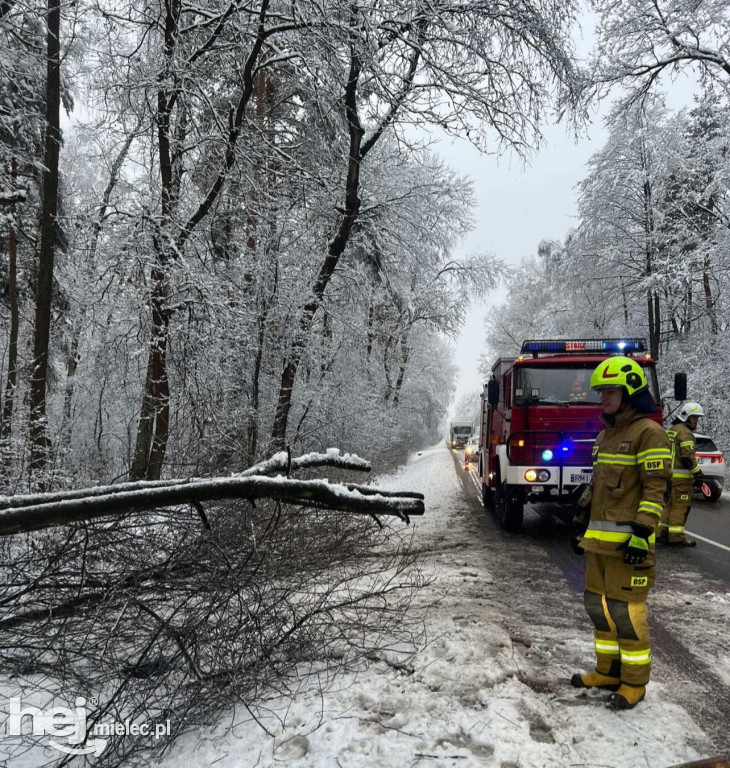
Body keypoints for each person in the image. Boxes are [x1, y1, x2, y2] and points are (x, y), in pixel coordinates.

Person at [569, 356, 671, 710]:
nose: (602, 398)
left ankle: (634, 683)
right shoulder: (605, 436)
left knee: (627, 614)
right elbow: (598, 487)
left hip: (631, 546)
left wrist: (643, 533)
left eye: (609, 391)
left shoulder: (649, 433)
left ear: (629, 393)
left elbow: (656, 489)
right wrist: (580, 519)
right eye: (601, 392)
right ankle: (607, 672)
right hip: (599, 545)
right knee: (598, 608)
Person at [661, 402, 705, 547]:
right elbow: (687, 458)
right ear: (686, 417)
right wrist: (698, 474)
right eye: (694, 418)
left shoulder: (672, 430)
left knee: (667, 505)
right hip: (681, 480)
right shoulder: (686, 433)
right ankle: (676, 537)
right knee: (679, 507)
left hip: (668, 477)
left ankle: (662, 534)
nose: (696, 421)